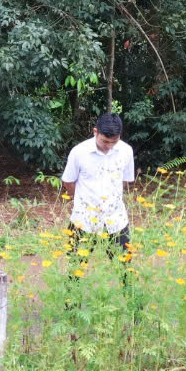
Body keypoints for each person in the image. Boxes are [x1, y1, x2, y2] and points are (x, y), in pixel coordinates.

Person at [61, 112, 136, 269]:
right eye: (105, 141)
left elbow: (125, 181)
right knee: (75, 270)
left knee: (125, 269)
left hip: (116, 219)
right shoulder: (79, 152)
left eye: (114, 141)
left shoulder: (126, 151)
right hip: (84, 219)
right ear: (96, 132)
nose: (109, 146)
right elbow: (68, 181)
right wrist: (82, 200)